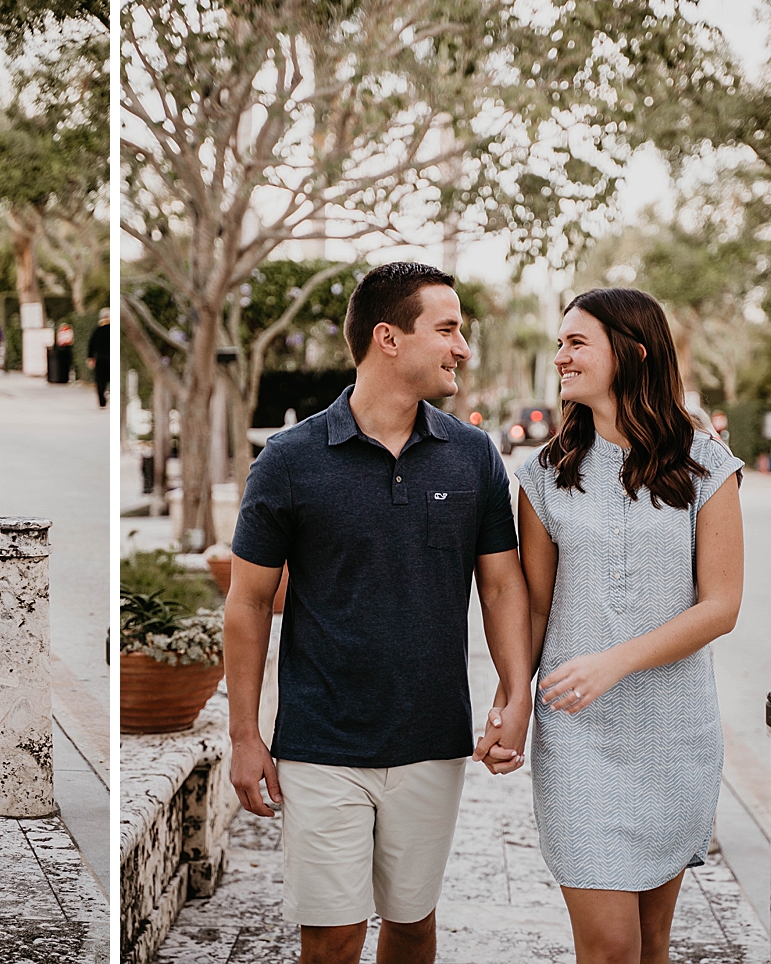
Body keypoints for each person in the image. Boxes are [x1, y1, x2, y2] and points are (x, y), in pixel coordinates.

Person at [225, 262, 533, 964]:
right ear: (388, 337)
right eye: (448, 330)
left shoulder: (473, 456)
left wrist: (516, 693)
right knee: (332, 940)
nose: (462, 348)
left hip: (432, 736)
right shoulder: (289, 460)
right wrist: (244, 734)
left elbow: (501, 587)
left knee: (413, 923)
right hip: (321, 741)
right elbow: (247, 601)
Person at [504, 288, 743, 964]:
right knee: (610, 947)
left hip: (675, 734)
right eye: (559, 343)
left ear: (632, 352)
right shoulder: (544, 475)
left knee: (652, 943)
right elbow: (537, 608)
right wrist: (514, 700)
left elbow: (721, 605)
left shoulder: (706, 464)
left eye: (576, 343)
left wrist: (615, 660)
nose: (561, 356)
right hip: (577, 732)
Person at [87, 307, 110, 407]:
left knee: (100, 380)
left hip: (100, 358)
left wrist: (90, 357)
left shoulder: (97, 330)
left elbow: (91, 344)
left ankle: (102, 400)